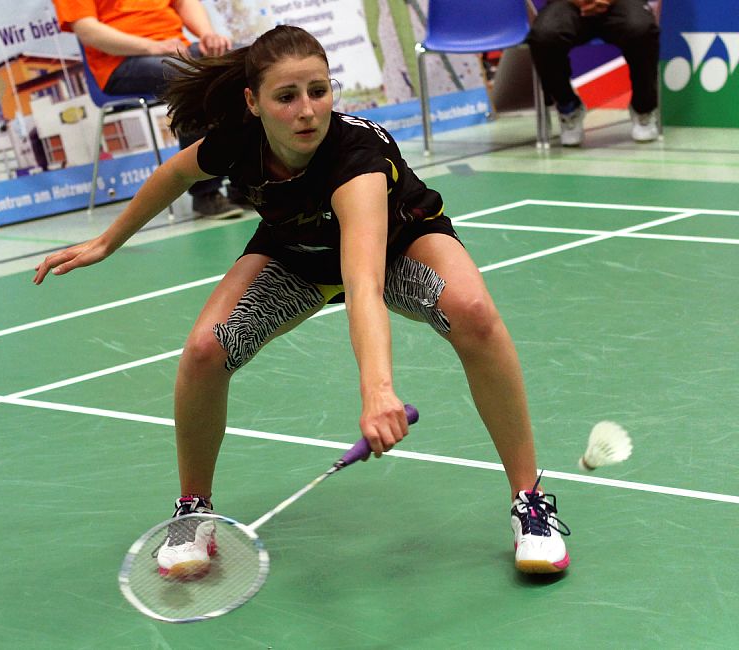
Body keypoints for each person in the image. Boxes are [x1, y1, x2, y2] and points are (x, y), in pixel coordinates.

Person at [33, 25, 570, 577]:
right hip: (298, 255)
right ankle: (193, 509)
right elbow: (175, 172)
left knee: (475, 316)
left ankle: (529, 501)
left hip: (396, 246)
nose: (307, 110)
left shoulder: (354, 159)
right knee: (203, 352)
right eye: (286, 97)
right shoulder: (241, 140)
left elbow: (364, 285)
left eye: (319, 91)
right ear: (254, 103)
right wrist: (106, 241)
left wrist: (378, 390)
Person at [52, 0, 244, 219]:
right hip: (120, 62)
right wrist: (152, 47)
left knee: (249, 62)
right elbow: (87, 30)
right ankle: (206, 192)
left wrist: (207, 34)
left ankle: (245, 183)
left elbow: (184, 3)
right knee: (191, 77)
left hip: (175, 50)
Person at [528, 0, 660, 146]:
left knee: (641, 29)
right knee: (545, 36)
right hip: (567, 3)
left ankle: (643, 108)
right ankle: (569, 108)